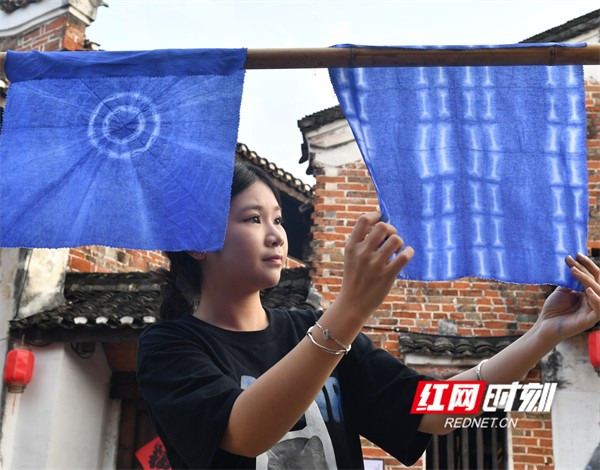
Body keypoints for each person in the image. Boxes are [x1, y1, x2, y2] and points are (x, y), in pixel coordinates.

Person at [136, 161, 600, 469]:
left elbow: (435, 412)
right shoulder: (169, 348)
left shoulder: (310, 330)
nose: (276, 235)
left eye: (277, 218)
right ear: (198, 243)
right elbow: (244, 433)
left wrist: (542, 335)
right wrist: (352, 307)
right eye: (253, 219)